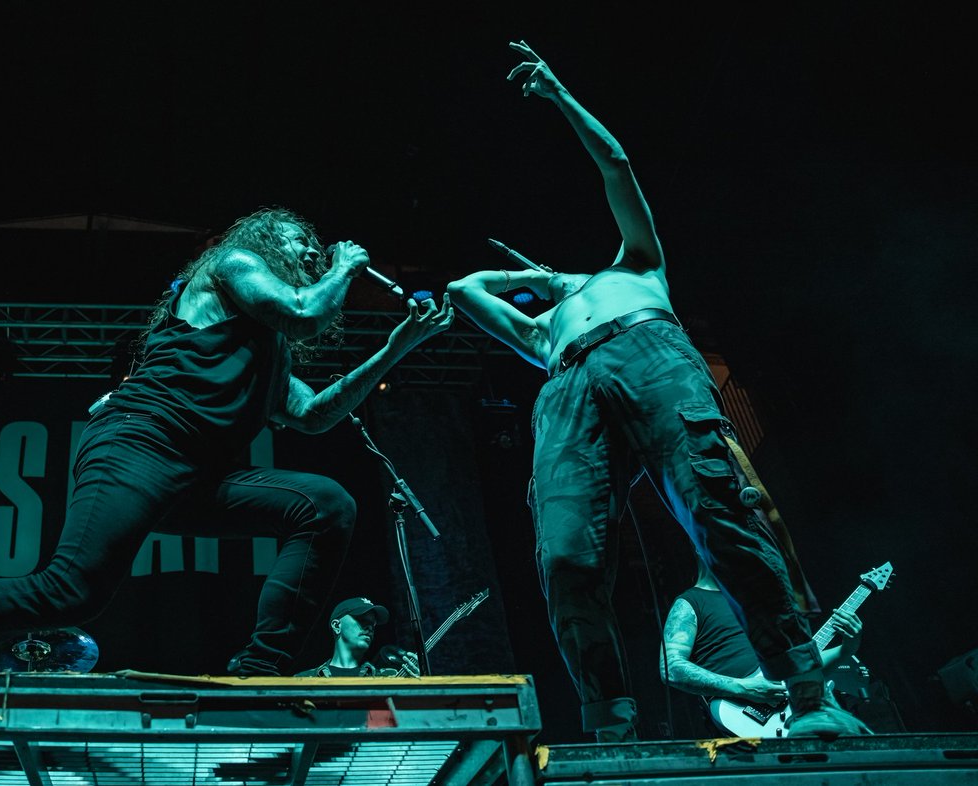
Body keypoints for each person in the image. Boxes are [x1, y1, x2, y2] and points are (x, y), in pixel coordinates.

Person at [0, 207, 454, 677]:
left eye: (318, 252)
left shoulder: (272, 350)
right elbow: (306, 308)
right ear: (263, 241)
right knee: (69, 593)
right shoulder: (236, 266)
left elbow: (312, 415)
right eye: (301, 243)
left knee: (326, 505)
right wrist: (344, 266)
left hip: (197, 478)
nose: (312, 253)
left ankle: (260, 669)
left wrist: (399, 344)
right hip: (138, 449)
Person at [446, 41, 868, 740]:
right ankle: (607, 718)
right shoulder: (542, 327)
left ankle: (807, 689)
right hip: (568, 383)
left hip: (651, 351)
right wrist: (548, 286)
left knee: (719, 512)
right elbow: (464, 290)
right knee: (566, 553)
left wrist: (557, 91)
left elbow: (616, 165)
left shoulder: (636, 264)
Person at [661, 557, 862, 734]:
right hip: (740, 717)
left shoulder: (759, 601)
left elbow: (798, 664)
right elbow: (670, 667)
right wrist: (744, 688)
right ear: (701, 545)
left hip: (798, 716)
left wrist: (847, 648)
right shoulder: (690, 603)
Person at [295, 596, 421, 677]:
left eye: (373, 624)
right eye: (361, 620)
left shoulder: (383, 679)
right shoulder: (304, 679)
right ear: (336, 626)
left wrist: (416, 689)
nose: (370, 627)